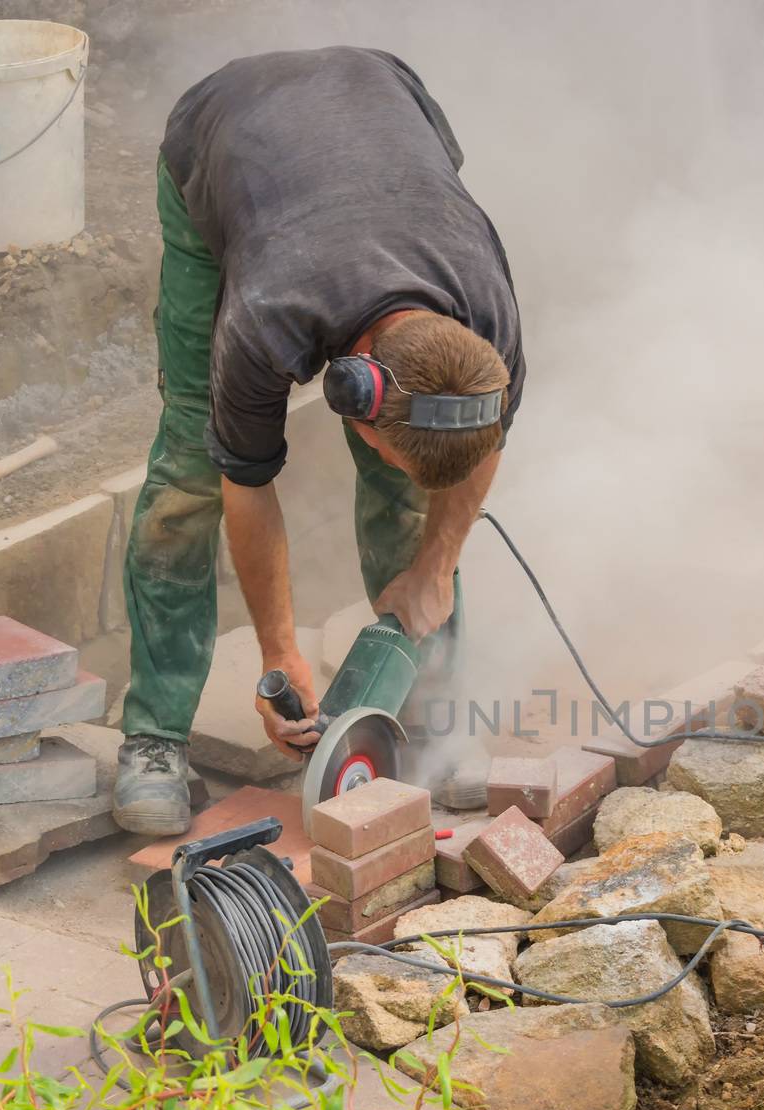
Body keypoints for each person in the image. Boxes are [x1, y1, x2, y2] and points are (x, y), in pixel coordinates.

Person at [113, 47, 524, 834]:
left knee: (415, 494)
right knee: (192, 472)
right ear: (350, 391)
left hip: (386, 102)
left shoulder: (488, 323)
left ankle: (435, 721)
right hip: (223, 143)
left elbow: (487, 438)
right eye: (382, 444)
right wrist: (278, 653)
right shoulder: (268, 316)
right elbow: (245, 478)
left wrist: (436, 568)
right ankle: (154, 736)